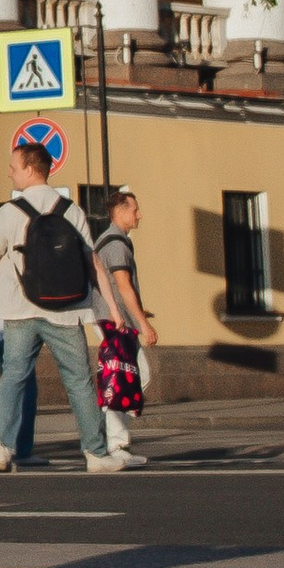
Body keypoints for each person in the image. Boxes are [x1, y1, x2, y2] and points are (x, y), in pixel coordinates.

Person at [0, 134, 110, 475]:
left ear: (29, 168)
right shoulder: (71, 210)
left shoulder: (9, 213)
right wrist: (111, 312)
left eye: (14, 167)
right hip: (68, 311)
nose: (10, 173)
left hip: (18, 311)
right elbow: (93, 263)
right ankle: (97, 454)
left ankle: (2, 450)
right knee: (79, 382)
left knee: (13, 377)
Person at [87, 182, 159, 470]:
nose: (139, 215)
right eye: (135, 209)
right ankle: (112, 443)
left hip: (114, 318)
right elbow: (122, 285)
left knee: (126, 378)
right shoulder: (115, 244)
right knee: (129, 377)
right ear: (120, 211)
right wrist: (143, 325)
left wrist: (140, 314)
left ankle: (116, 441)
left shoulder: (115, 241)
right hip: (112, 320)